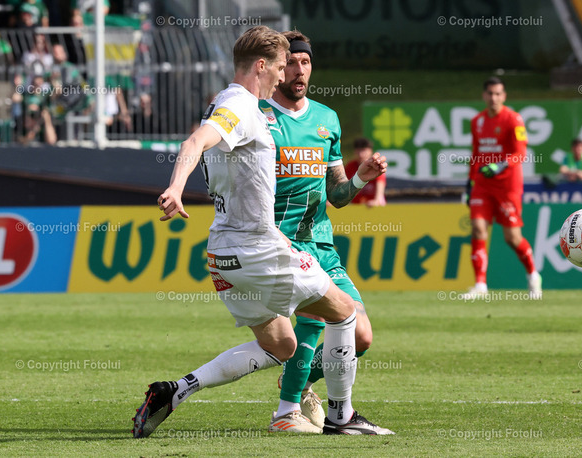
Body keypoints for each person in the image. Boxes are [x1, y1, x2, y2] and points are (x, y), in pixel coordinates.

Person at [132, 26, 391, 439]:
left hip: (224, 252)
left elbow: (206, 146)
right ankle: (336, 417)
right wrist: (175, 188)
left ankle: (175, 391)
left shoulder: (226, 102)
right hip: (259, 250)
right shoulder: (242, 107)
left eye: (299, 63)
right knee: (344, 313)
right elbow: (194, 142)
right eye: (281, 66)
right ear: (261, 66)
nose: (285, 74)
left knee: (281, 346)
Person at [259, 31, 390, 434]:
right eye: (292, 63)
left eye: (306, 62)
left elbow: (337, 195)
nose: (300, 71)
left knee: (361, 336)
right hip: (281, 245)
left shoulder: (326, 119)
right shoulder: (258, 117)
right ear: (278, 68)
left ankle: (298, 379)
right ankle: (290, 411)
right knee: (316, 319)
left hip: (322, 244)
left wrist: (361, 178)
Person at [464, 77, 541, 300]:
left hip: (508, 186)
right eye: (490, 93)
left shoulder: (513, 119)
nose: (494, 98)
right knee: (478, 228)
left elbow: (520, 153)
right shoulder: (477, 121)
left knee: (512, 238)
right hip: (483, 184)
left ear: (504, 96)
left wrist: (500, 165)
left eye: (498, 94)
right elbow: (476, 153)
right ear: (484, 95)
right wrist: (469, 183)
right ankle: (480, 285)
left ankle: (533, 274)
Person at [345, 137, 387, 206]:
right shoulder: (350, 166)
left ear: (370, 151)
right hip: (356, 206)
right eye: (358, 151)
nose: (360, 154)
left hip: (373, 206)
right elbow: (344, 186)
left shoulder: (376, 166)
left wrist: (376, 201)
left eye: (363, 150)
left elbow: (380, 191)